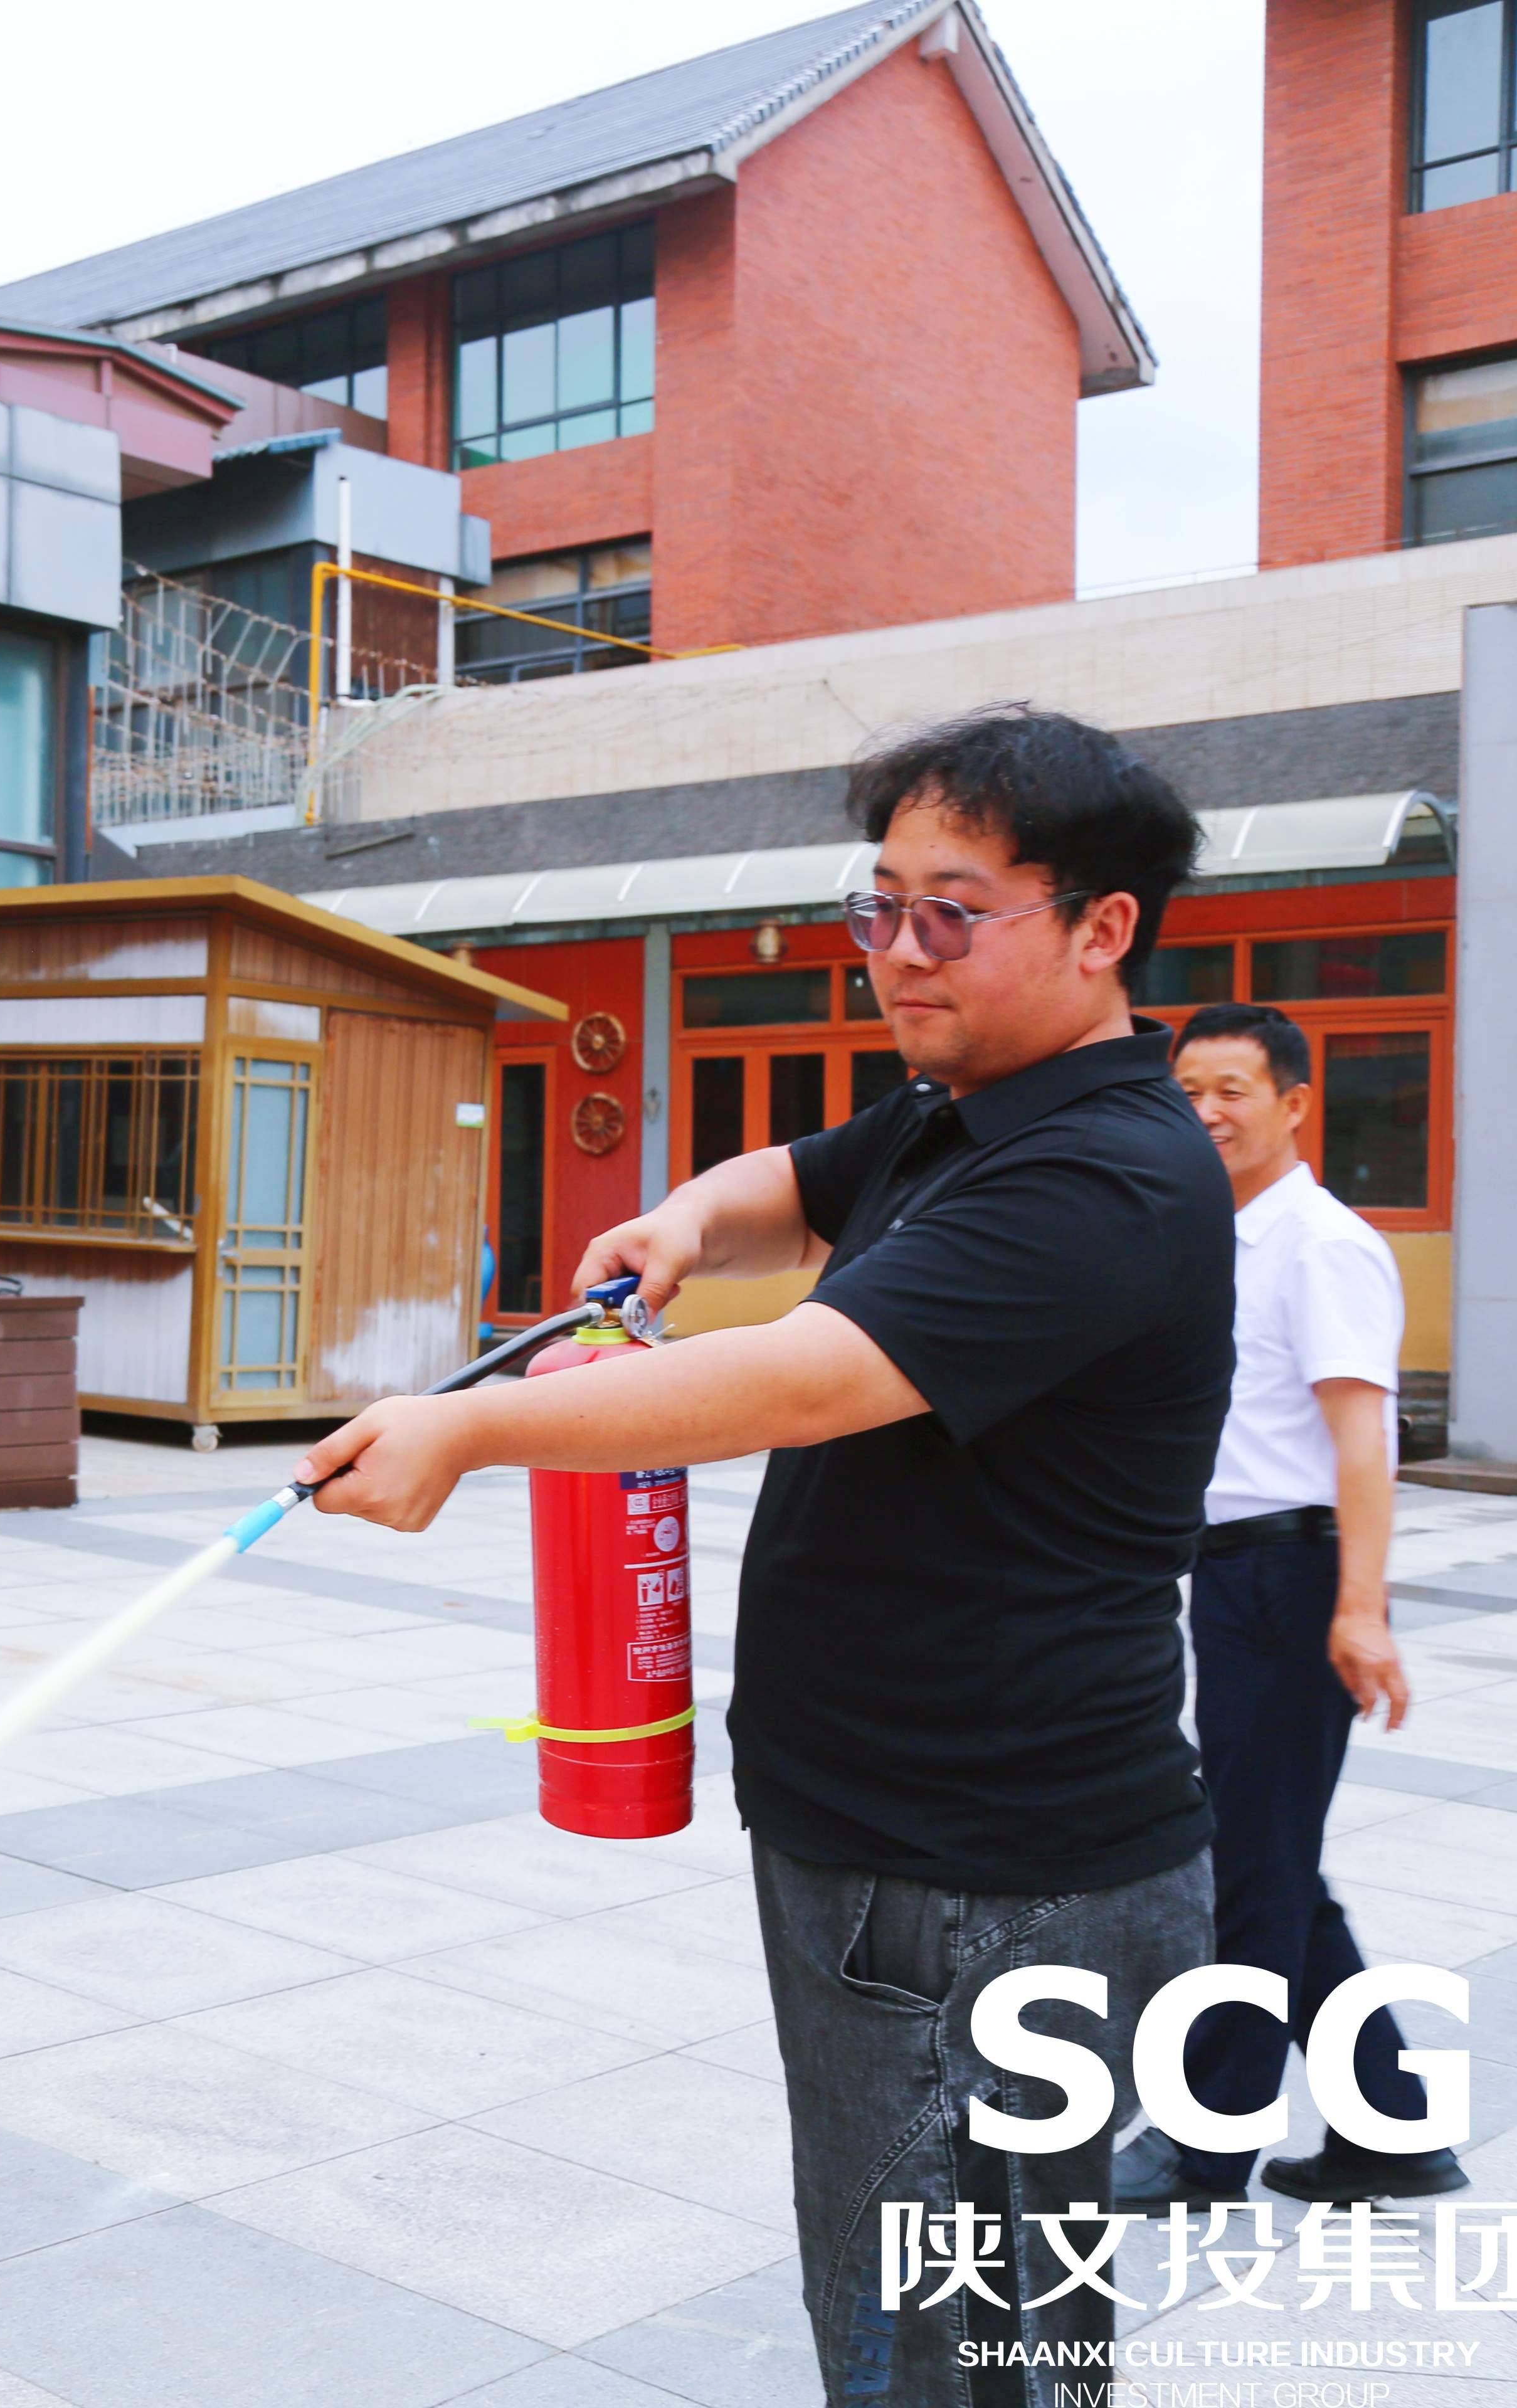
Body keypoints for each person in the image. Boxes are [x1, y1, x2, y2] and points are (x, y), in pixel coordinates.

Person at [294, 706, 1227, 2408]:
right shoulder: (963, 1110)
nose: (900, 950)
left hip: (979, 1868)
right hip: (915, 1840)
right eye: (880, 905)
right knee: (953, 2305)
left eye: (954, 911)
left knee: (947, 2337)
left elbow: (810, 1375)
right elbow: (792, 1188)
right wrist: (682, 1223)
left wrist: (474, 1427)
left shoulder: (1100, 1174)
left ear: (1104, 927)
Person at [1112, 1002, 1462, 2210]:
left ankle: (1202, 2145)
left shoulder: (1320, 1245)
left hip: (1290, 1578)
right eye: (1188, 1091)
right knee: (1276, 1866)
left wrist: (1360, 1609)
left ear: (1296, 1105)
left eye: (1233, 1090)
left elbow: (1363, 1440)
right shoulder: (1227, 1237)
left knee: (1248, 1873)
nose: (1206, 1111)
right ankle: (1393, 2127)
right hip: (1235, 1574)